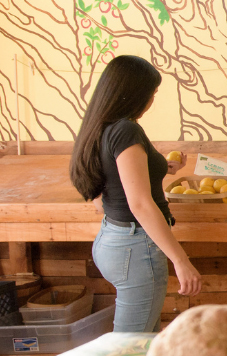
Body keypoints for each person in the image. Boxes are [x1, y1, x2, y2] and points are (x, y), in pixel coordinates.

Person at [70, 55, 201, 333]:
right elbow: (140, 204)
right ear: (132, 94)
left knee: (144, 340)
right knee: (128, 346)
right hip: (135, 248)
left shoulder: (100, 127)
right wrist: (181, 260)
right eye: (151, 94)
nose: (151, 102)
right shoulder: (126, 130)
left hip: (112, 239)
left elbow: (107, 191)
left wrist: (160, 167)